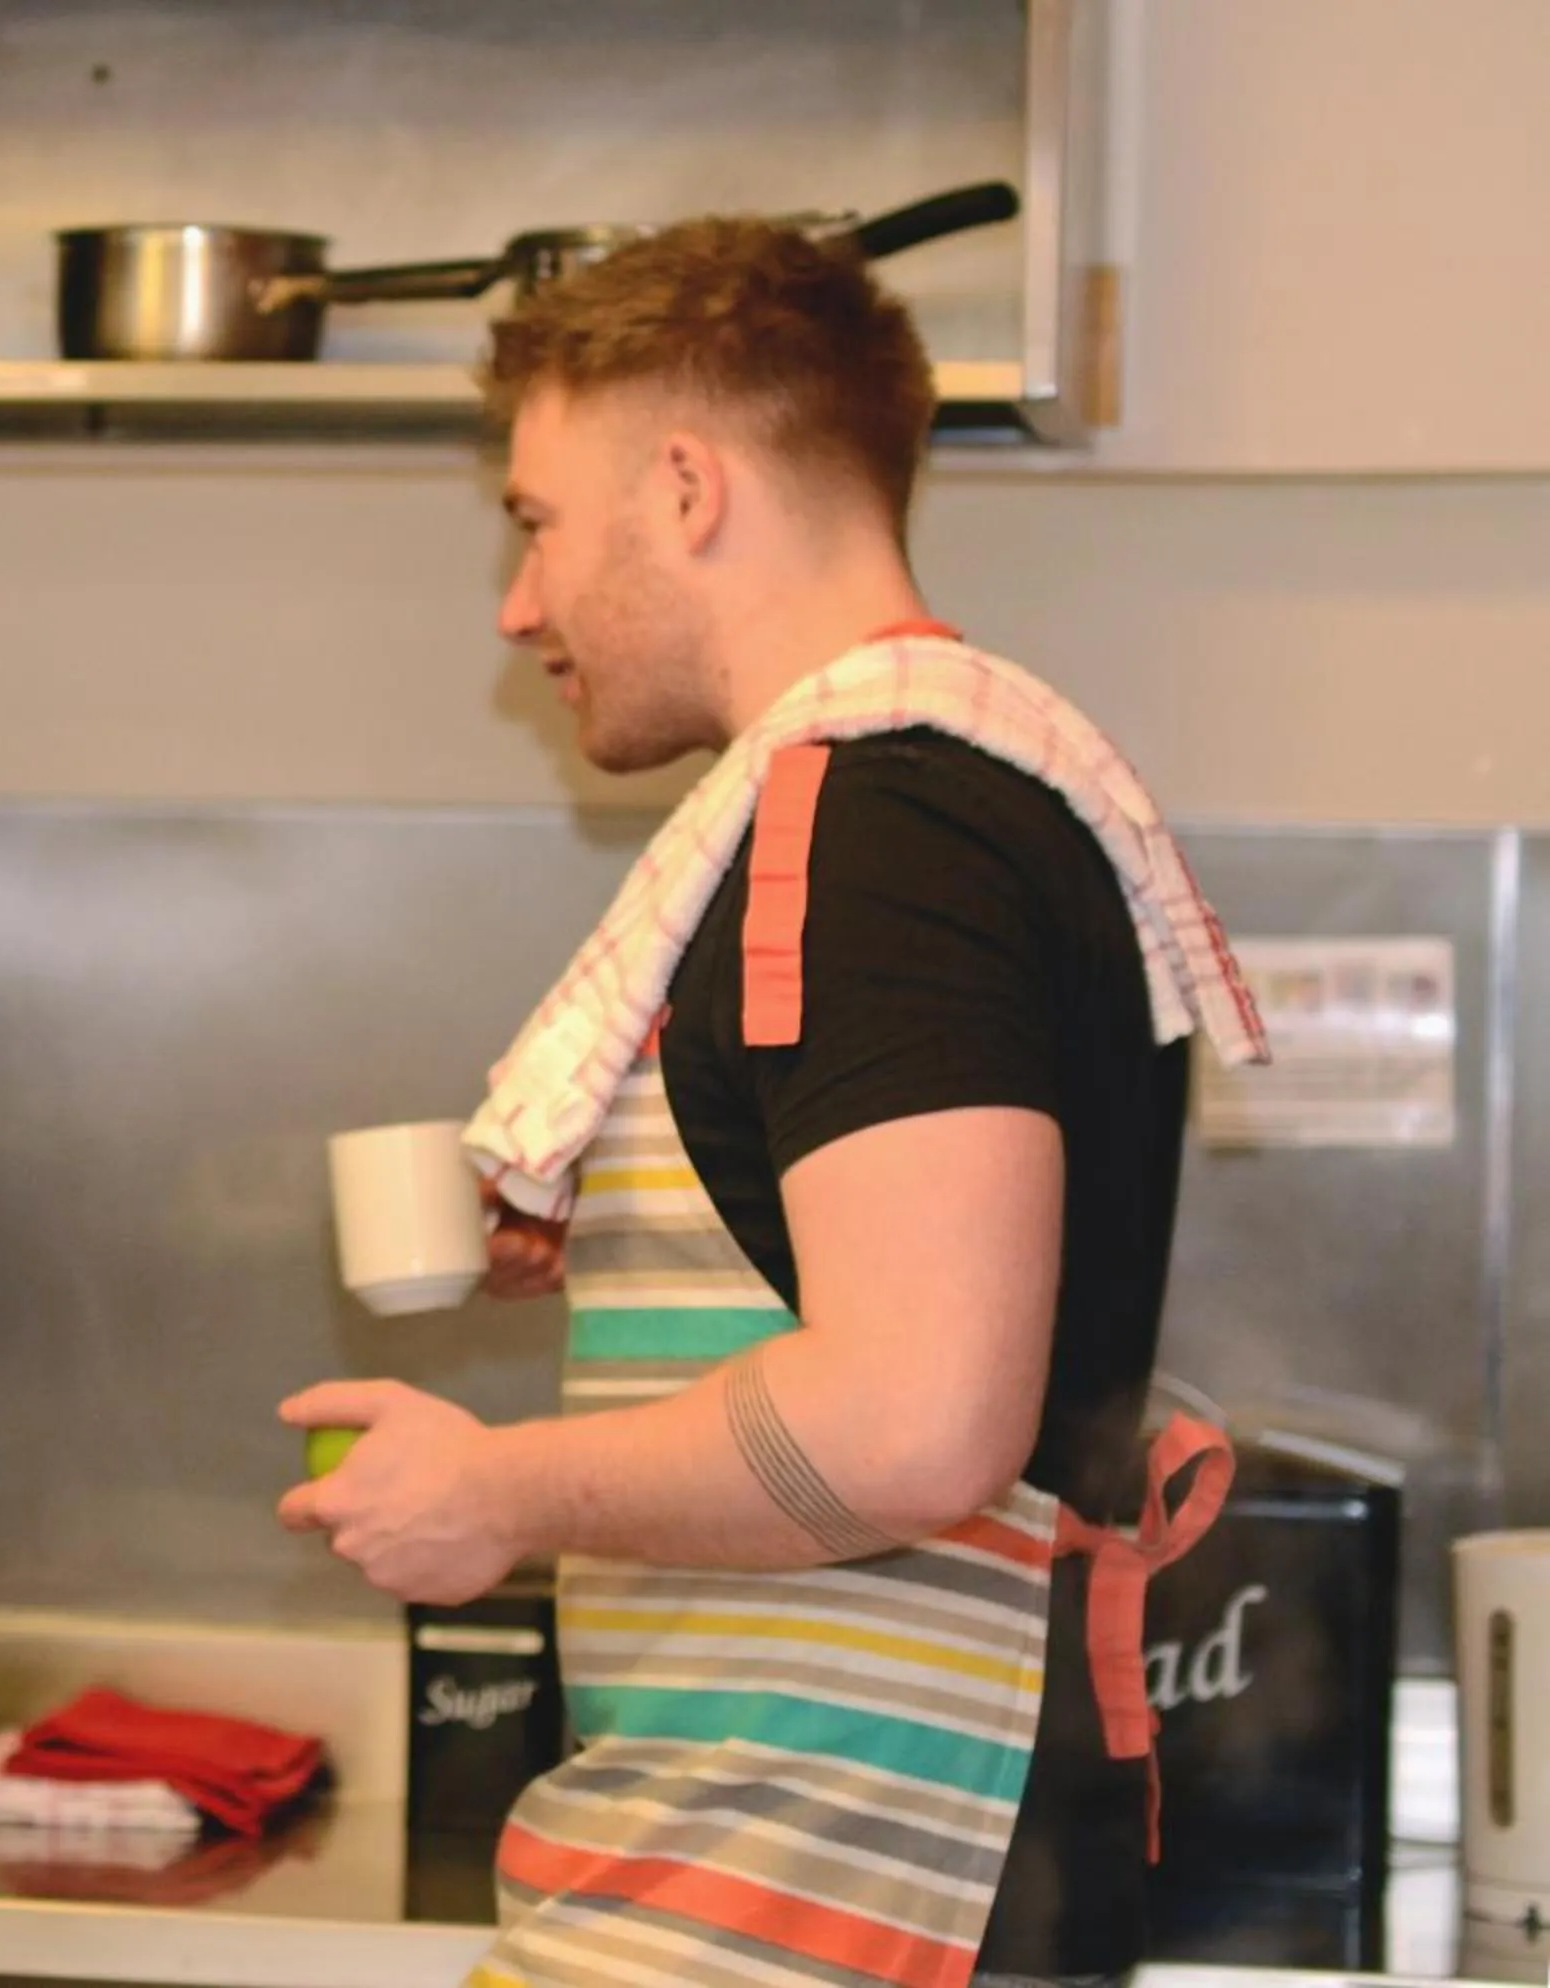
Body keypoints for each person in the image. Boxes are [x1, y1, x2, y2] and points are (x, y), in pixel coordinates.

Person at [277, 221, 1269, 1988]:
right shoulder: (962, 807)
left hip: (815, 1910)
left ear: (683, 487)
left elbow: (912, 1422)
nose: (520, 607)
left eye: (535, 523)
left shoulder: (871, 835)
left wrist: (499, 1486)